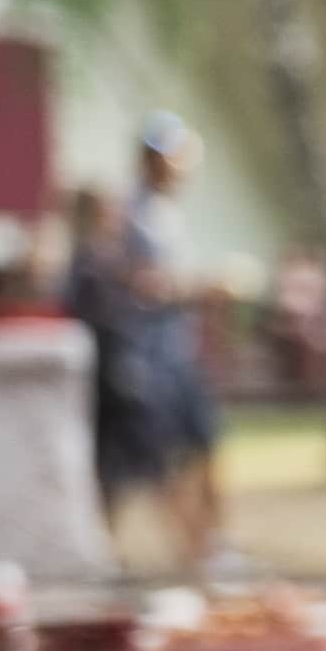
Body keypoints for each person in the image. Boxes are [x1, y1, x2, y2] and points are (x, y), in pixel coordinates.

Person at [64, 146, 223, 569]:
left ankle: (107, 554)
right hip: (124, 378)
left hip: (125, 376)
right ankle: (193, 553)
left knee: (124, 474)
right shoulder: (94, 263)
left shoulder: (100, 259)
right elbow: (121, 307)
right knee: (149, 470)